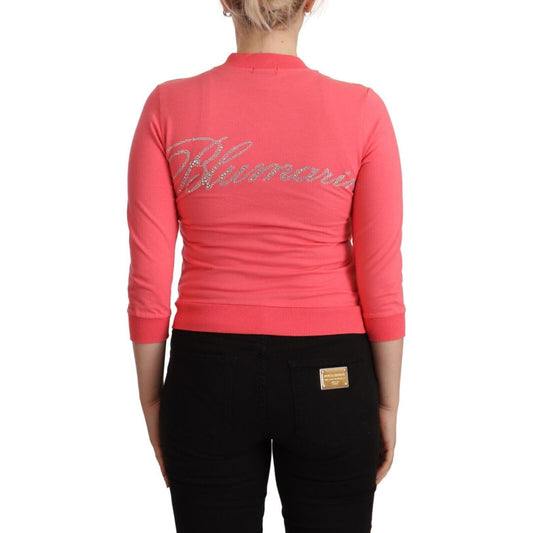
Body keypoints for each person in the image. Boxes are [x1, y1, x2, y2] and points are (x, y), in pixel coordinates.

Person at [126, 0, 405, 531]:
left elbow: (148, 281)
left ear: (224, 2)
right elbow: (381, 277)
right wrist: (386, 404)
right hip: (334, 373)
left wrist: (152, 399)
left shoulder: (167, 107)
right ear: (309, 3)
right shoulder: (362, 111)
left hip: (205, 374)